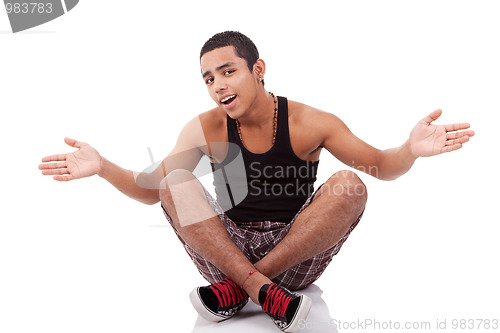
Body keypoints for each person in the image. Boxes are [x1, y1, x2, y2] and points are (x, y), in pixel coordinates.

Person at [39, 31, 474, 332]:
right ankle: (260, 290)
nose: (217, 86)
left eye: (228, 71)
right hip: (226, 250)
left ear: (258, 68)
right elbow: (149, 189)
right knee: (173, 179)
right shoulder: (206, 128)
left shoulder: (309, 122)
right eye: (209, 78)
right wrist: (103, 166)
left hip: (294, 257)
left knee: (351, 185)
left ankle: (244, 288)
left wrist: (410, 150)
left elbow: (381, 165)